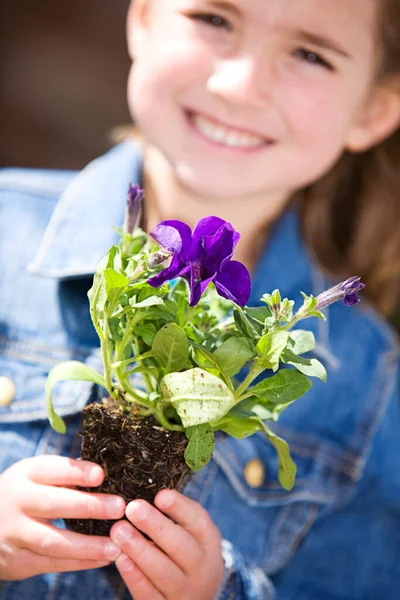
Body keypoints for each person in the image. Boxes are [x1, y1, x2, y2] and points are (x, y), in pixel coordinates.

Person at [0, 0, 399, 598]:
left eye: (310, 54)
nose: (239, 85)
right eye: (214, 19)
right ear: (141, 19)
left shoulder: (371, 377)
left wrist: (225, 590)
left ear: (374, 109)